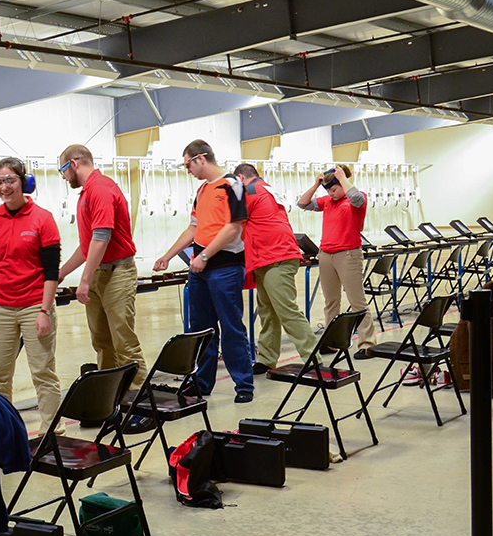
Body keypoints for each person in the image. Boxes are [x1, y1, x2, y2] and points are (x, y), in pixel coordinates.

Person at [153, 141, 255, 402]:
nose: (188, 169)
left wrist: (205, 255)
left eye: (187, 163)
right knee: (201, 329)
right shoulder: (201, 190)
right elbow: (193, 228)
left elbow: (234, 227)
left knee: (231, 327)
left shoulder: (232, 184)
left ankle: (243, 385)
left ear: (200, 158)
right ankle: (202, 382)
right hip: (200, 269)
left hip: (225, 267)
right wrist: (167, 255)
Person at [0, 157, 63, 435]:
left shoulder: (43, 219)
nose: (4, 187)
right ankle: (3, 433)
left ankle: (52, 431)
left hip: (35, 304)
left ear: (24, 182)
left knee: (43, 372)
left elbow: (51, 272)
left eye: (10, 180)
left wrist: (44, 311)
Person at [58, 145, 149, 402]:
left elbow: (102, 237)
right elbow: (88, 245)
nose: (64, 177)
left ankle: (139, 398)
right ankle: (110, 398)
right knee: (102, 341)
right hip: (100, 272)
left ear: (74, 164)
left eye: (63, 170)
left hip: (117, 273)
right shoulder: (86, 193)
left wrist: (84, 281)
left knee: (123, 339)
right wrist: (62, 273)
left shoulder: (100, 189)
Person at [233, 163, 318, 373]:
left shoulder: (251, 190)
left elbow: (232, 221)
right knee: (268, 312)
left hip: (276, 256)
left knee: (286, 310)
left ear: (241, 178)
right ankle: (267, 358)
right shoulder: (266, 188)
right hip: (267, 257)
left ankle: (312, 358)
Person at [297, 164, 375, 360]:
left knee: (357, 301)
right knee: (331, 302)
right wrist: (316, 184)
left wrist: (343, 179)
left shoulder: (357, 198)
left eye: (334, 189)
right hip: (326, 255)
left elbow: (357, 198)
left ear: (342, 184)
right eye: (328, 190)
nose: (331, 193)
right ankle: (332, 341)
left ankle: (367, 342)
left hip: (348, 255)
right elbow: (303, 203)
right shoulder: (327, 202)